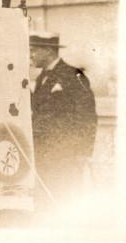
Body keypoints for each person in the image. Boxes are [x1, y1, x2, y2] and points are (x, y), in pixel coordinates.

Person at [29, 32, 98, 207]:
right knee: (47, 200)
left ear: (47, 51)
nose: (30, 56)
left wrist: (84, 152)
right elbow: (39, 110)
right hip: (44, 152)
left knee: (65, 199)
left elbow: (88, 116)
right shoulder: (42, 77)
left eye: (33, 51)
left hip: (66, 154)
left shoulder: (74, 76)